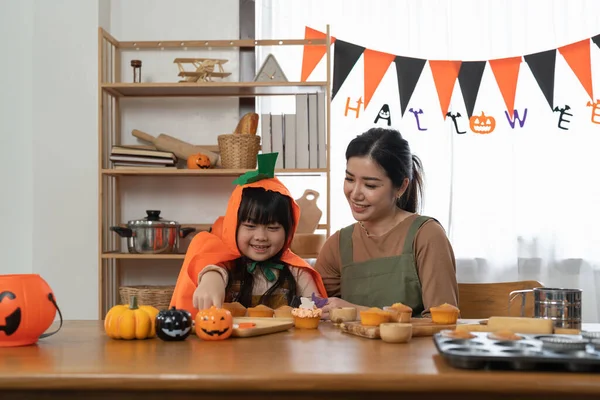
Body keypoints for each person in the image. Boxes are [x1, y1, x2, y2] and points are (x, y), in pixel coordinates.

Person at [315, 127, 459, 319]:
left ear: (401, 187)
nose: (355, 193)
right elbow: (314, 310)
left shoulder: (426, 235)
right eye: (349, 179)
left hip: (414, 350)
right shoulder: (338, 244)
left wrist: (359, 313)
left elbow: (444, 324)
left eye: (370, 185)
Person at [170, 153, 327, 315]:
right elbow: (212, 270)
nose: (261, 236)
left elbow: (316, 310)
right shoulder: (225, 266)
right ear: (234, 226)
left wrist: (322, 308)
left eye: (272, 228)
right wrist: (210, 280)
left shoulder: (297, 272)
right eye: (250, 226)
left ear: (288, 231)